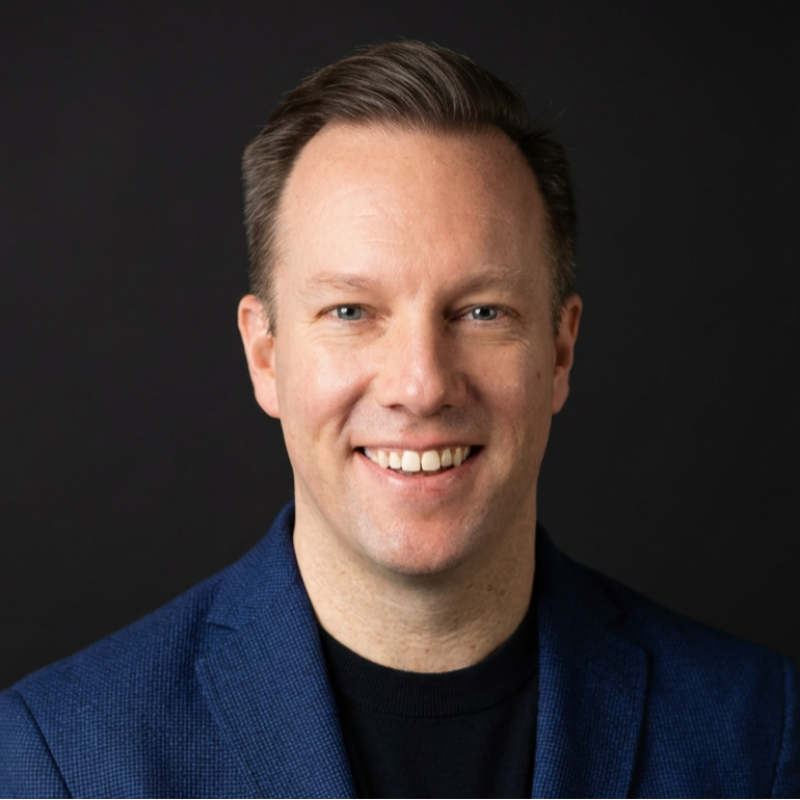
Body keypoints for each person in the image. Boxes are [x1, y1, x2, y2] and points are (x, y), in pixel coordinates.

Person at [0, 41, 797, 799]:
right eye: (351, 311)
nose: (421, 386)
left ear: (560, 351)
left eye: (482, 311)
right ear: (265, 356)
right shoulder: (63, 756)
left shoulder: (759, 735)